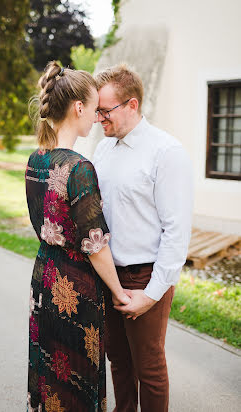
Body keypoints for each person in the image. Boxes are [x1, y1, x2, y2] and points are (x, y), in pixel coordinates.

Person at [25, 61, 130, 412]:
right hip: (75, 287)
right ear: (78, 107)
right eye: (94, 108)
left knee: (48, 372)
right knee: (76, 381)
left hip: (43, 278)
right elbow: (96, 245)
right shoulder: (80, 168)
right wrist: (119, 292)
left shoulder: (34, 160)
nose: (98, 117)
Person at [93, 63, 193, 412]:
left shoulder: (166, 152)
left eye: (105, 110)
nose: (98, 118)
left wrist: (151, 295)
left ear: (131, 105)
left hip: (146, 275)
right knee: (118, 363)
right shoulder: (103, 150)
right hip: (108, 276)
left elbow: (177, 234)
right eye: (96, 110)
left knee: (148, 368)